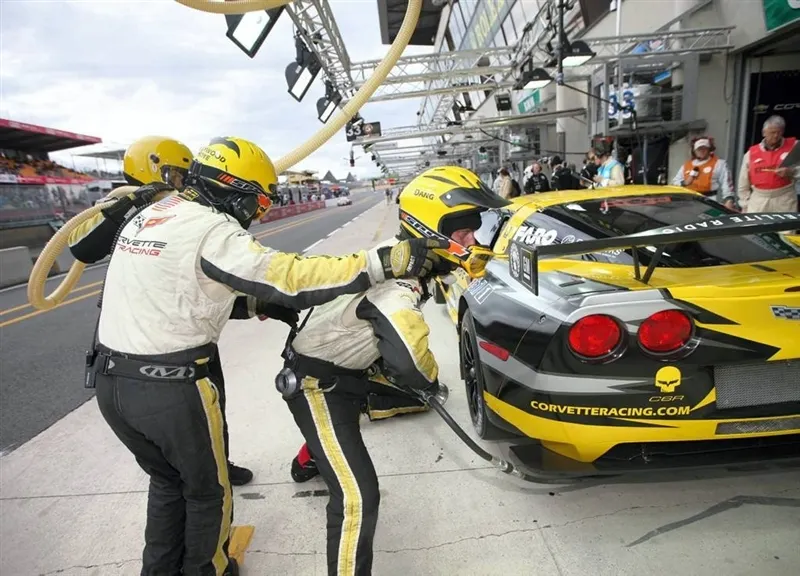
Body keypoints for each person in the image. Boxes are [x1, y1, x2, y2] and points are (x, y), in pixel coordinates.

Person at [89, 136, 448, 576]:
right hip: (169, 390)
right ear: (235, 191)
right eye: (259, 203)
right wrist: (381, 262)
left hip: (111, 383)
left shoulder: (154, 215)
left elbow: (175, 291)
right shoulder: (211, 229)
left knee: (167, 484)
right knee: (207, 493)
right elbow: (290, 276)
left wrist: (255, 303)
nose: (257, 215)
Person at [279, 165, 510, 576]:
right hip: (318, 383)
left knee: (391, 404)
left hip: (349, 367)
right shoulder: (398, 287)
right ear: (431, 231)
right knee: (358, 499)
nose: (472, 242)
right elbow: (410, 363)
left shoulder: (397, 254)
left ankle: (308, 461)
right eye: (463, 233)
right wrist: (430, 382)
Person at [69, 135, 256, 487]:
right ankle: (196, 476)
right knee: (181, 411)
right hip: (141, 325)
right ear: (156, 168)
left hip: (177, 316)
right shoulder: (122, 203)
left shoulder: (183, 209)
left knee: (212, 399)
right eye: (178, 175)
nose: (184, 182)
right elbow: (81, 247)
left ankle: (218, 461)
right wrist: (133, 202)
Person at [737, 115, 799, 213]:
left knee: (786, 224)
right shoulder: (751, 153)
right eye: (772, 132)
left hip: (784, 198)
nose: (776, 136)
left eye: (779, 132)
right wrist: (744, 204)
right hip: (758, 199)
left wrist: (792, 172)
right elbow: (743, 183)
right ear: (764, 133)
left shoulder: (794, 147)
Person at [672, 136, 736, 208]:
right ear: (694, 151)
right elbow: (675, 182)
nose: (702, 151)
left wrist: (729, 199)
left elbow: (726, 184)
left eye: (704, 148)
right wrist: (685, 183)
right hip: (689, 201)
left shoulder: (719, 163)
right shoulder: (686, 165)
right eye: (699, 149)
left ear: (709, 150)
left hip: (709, 200)